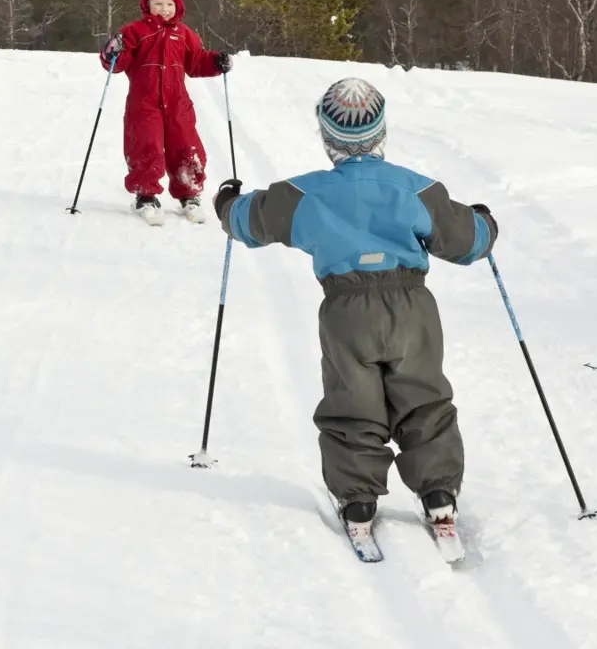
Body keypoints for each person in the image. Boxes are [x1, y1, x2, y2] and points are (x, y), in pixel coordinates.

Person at [210, 77, 498, 533]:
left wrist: (227, 203)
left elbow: (248, 223)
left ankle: (358, 496)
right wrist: (483, 222)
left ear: (327, 138)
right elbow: (468, 242)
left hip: (346, 310)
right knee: (423, 396)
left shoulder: (305, 194)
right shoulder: (415, 189)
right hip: (412, 307)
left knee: (353, 401)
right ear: (382, 132)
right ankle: (438, 490)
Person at [100, 0, 232, 225]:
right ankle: (145, 195)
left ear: (178, 6)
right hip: (144, 103)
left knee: (186, 147)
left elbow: (195, 62)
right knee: (146, 147)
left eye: (169, 4)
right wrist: (112, 51)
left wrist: (216, 61)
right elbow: (117, 63)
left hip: (178, 104)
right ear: (147, 5)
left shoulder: (184, 35)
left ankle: (190, 194)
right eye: (158, 3)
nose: (164, 9)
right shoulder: (134, 32)